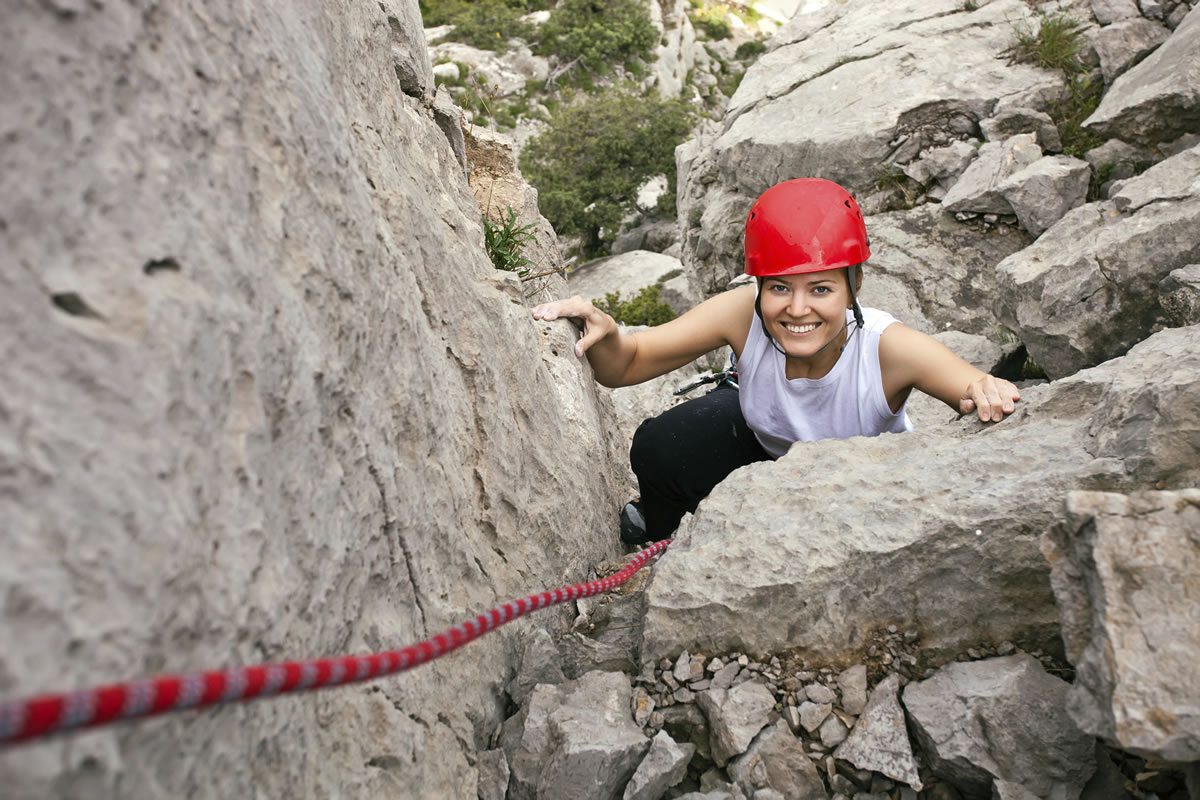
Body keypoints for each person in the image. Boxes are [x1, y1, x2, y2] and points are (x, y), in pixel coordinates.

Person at [531, 178, 1021, 544]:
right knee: (662, 445)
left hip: (854, 487)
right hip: (763, 445)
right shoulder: (742, 313)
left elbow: (968, 383)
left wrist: (983, 388)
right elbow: (627, 364)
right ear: (759, 287)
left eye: (822, 289)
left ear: (855, 287)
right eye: (780, 288)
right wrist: (606, 331)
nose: (798, 309)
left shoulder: (887, 348)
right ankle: (663, 536)